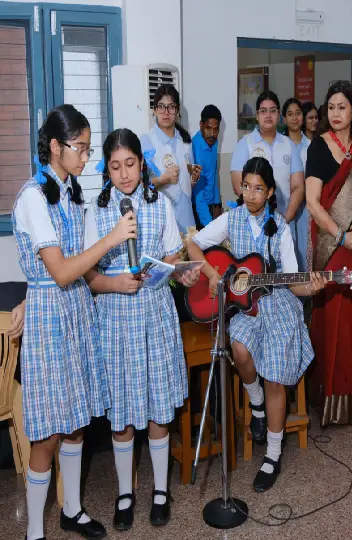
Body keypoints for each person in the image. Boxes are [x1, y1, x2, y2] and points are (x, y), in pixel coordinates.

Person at [12, 105, 135, 540]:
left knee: (76, 422)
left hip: (77, 312)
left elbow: (79, 272)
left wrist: (115, 279)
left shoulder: (71, 194)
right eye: (80, 148)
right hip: (50, 318)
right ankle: (34, 531)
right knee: (47, 433)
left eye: (87, 148)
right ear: (55, 146)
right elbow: (62, 272)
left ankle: (72, 511)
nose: (86, 157)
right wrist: (113, 237)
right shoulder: (33, 196)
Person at [84, 129, 201, 530]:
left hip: (154, 315)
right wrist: (114, 283)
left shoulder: (159, 203)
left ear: (141, 163)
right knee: (121, 414)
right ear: (107, 170)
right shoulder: (97, 211)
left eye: (130, 164)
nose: (124, 174)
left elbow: (171, 254)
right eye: (115, 167)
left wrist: (178, 272)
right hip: (115, 319)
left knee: (157, 406)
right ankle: (124, 493)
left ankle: (161, 491)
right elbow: (88, 276)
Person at [188, 157, 327, 492]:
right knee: (238, 348)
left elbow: (292, 281)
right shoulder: (232, 218)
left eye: (258, 189)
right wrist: (210, 274)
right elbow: (193, 244)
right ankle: (256, 402)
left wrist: (311, 287)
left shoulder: (280, 227)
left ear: (270, 192)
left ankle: (273, 455)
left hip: (277, 303)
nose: (250, 194)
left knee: (275, 375)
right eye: (246, 187)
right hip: (244, 307)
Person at [306, 81, 352, 427]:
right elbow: (312, 202)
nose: (336, 113)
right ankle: (330, 400)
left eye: (342, 107)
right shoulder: (318, 147)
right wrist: (341, 236)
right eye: (331, 107)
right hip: (334, 247)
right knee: (334, 317)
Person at [230, 91, 305, 240]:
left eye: (272, 110)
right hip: (253, 225)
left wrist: (285, 219)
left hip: (284, 223)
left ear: (278, 114)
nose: (268, 115)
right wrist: (259, 217)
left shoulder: (289, 145)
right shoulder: (245, 144)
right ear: (257, 115)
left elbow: (298, 187)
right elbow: (238, 186)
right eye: (263, 111)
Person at [140, 84, 200, 233]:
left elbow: (185, 186)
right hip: (161, 221)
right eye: (161, 106)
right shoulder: (146, 141)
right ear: (154, 110)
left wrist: (193, 179)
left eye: (171, 107)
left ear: (177, 111)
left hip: (187, 219)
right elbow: (139, 187)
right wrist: (163, 179)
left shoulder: (186, 142)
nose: (166, 112)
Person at [283, 97, 311, 271]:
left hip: (307, 207)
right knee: (288, 250)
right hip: (286, 205)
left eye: (298, 113)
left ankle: (306, 286)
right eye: (290, 114)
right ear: (284, 119)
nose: (294, 118)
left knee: (306, 249)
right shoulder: (280, 146)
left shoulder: (312, 147)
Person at [192, 104, 223, 228]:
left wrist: (217, 204)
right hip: (198, 209)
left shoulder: (213, 142)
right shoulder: (195, 148)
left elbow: (214, 173)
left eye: (216, 129)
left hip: (210, 204)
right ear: (201, 125)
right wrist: (210, 226)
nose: (212, 134)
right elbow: (198, 193)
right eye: (208, 128)